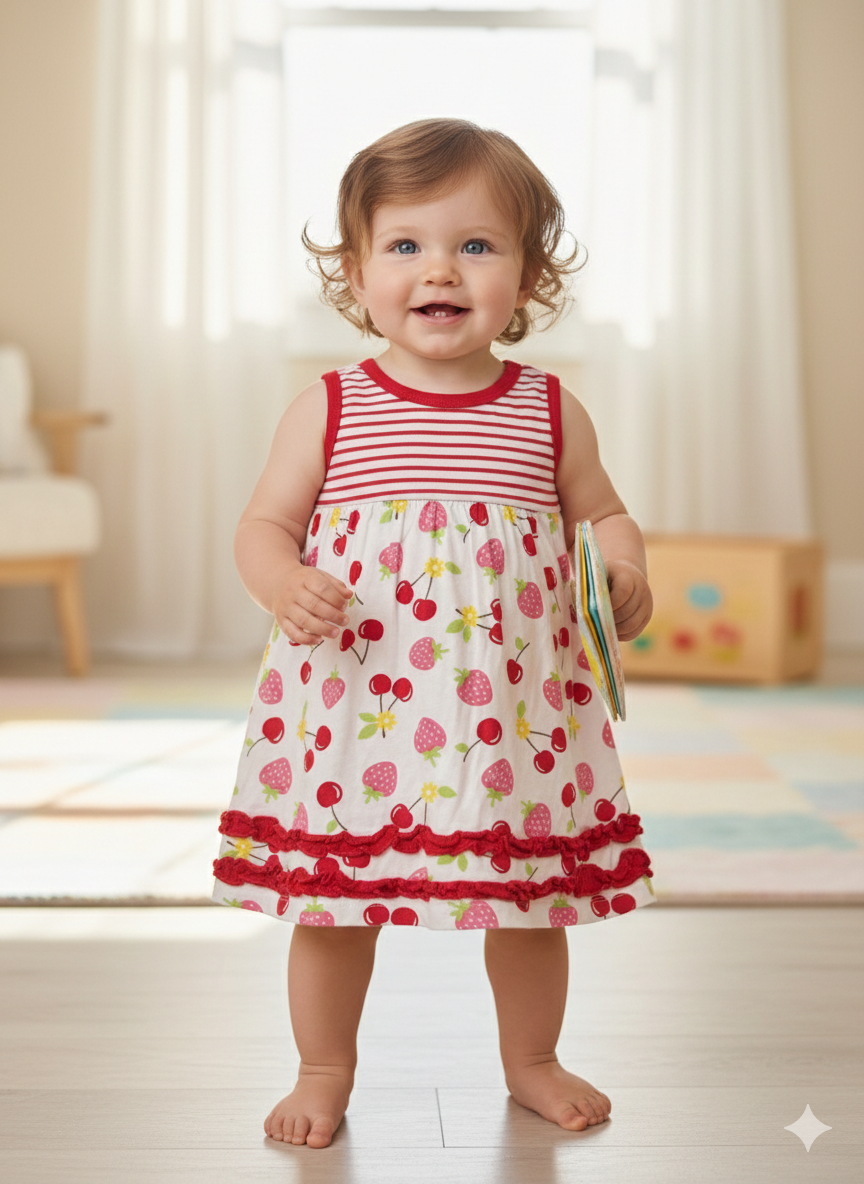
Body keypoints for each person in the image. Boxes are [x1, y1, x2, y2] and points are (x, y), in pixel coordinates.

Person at [211, 118, 655, 1149]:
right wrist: (283, 581)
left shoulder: (548, 409)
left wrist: (624, 570)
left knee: (529, 898)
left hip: (512, 711)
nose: (440, 269)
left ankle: (532, 1058)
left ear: (528, 274)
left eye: (477, 245)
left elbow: (603, 513)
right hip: (359, 707)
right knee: (335, 901)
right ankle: (324, 1066)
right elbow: (263, 524)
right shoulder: (330, 406)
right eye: (405, 245)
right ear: (357, 273)